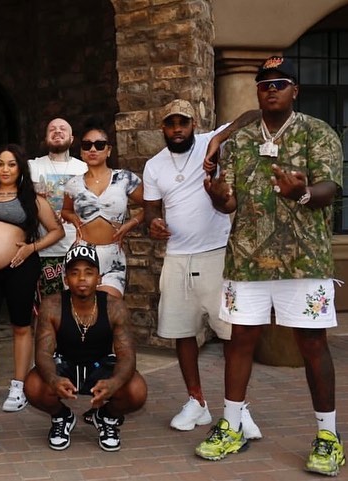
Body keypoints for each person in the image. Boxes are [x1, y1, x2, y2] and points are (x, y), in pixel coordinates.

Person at [197, 56, 345, 476]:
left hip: (304, 262)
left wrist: (302, 193)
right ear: (257, 92)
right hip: (247, 263)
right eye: (264, 84)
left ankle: (328, 436)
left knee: (312, 344)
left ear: (295, 90)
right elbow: (230, 202)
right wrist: (217, 197)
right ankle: (232, 425)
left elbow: (330, 188)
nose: (271, 89)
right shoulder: (241, 140)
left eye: (280, 83)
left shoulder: (318, 132)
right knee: (240, 341)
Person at [143, 100, 262, 437]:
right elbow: (151, 208)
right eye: (170, 124)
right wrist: (153, 223)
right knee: (183, 332)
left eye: (183, 123)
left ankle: (238, 408)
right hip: (177, 256)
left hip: (216, 254)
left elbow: (254, 114)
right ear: (163, 128)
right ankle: (196, 402)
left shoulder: (212, 141)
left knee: (231, 334)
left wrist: (218, 139)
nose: (177, 129)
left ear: (193, 124)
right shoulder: (154, 165)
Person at [0, 144, 64, 412]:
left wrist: (32, 247)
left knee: (21, 326)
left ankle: (18, 386)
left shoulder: (30, 198)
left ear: (20, 168)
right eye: (0, 164)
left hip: (20, 267)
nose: (5, 169)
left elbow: (57, 231)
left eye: (11, 164)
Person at [24, 243, 147, 451]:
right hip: (65, 365)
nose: (82, 279)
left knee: (137, 390)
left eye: (88, 272)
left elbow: (127, 355)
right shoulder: (52, 306)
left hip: (100, 366)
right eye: (75, 273)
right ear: (66, 279)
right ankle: (62, 417)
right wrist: (53, 379)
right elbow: (43, 353)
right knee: (33, 386)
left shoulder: (115, 307)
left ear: (99, 278)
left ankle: (106, 417)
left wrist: (115, 382)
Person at [61, 121, 144, 298]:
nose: (93, 149)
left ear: (108, 150)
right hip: (82, 254)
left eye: (99, 145)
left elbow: (151, 205)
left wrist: (130, 224)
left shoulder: (124, 178)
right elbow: (65, 211)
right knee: (80, 310)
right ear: (81, 151)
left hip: (113, 255)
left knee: (110, 307)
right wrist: (73, 219)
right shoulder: (73, 184)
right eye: (87, 145)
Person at [28, 118, 87, 303]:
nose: (57, 131)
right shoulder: (32, 166)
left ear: (72, 138)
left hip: (78, 249)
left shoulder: (84, 167)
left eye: (63, 129)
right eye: (52, 129)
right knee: (47, 307)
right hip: (44, 251)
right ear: (46, 138)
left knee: (79, 305)